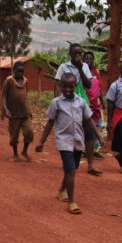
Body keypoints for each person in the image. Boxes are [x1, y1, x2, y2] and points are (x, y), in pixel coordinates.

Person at [35, 73, 105, 214]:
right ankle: (72, 202)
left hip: (78, 140)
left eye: (71, 86)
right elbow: (50, 122)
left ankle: (61, 190)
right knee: (71, 170)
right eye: (65, 86)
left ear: (75, 86)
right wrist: (41, 142)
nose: (67, 89)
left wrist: (99, 136)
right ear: (60, 86)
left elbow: (88, 120)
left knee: (71, 169)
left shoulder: (80, 102)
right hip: (64, 141)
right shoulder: (56, 103)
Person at [54, 44, 102, 176]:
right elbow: (58, 84)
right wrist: (60, 101)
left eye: (79, 53)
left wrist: (80, 68)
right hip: (67, 103)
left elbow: (88, 85)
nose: (77, 56)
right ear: (70, 54)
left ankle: (91, 165)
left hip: (81, 102)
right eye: (75, 54)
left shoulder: (85, 67)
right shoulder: (64, 67)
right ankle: (68, 161)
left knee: (88, 132)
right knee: (68, 131)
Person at [0, 61, 34, 162]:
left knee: (29, 132)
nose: (20, 73)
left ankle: (24, 151)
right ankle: (15, 154)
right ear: (14, 70)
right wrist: (5, 110)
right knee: (14, 135)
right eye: (18, 71)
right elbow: (3, 96)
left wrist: (29, 110)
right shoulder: (9, 81)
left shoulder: (25, 81)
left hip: (25, 113)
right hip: (14, 114)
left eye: (22, 71)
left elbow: (26, 96)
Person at [83, 51, 106, 159]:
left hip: (97, 103)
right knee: (86, 126)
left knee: (99, 126)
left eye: (90, 59)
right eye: (86, 59)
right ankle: (84, 150)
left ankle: (95, 150)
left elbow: (100, 88)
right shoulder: (82, 72)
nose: (89, 61)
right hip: (86, 103)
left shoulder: (96, 72)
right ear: (83, 60)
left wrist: (103, 101)